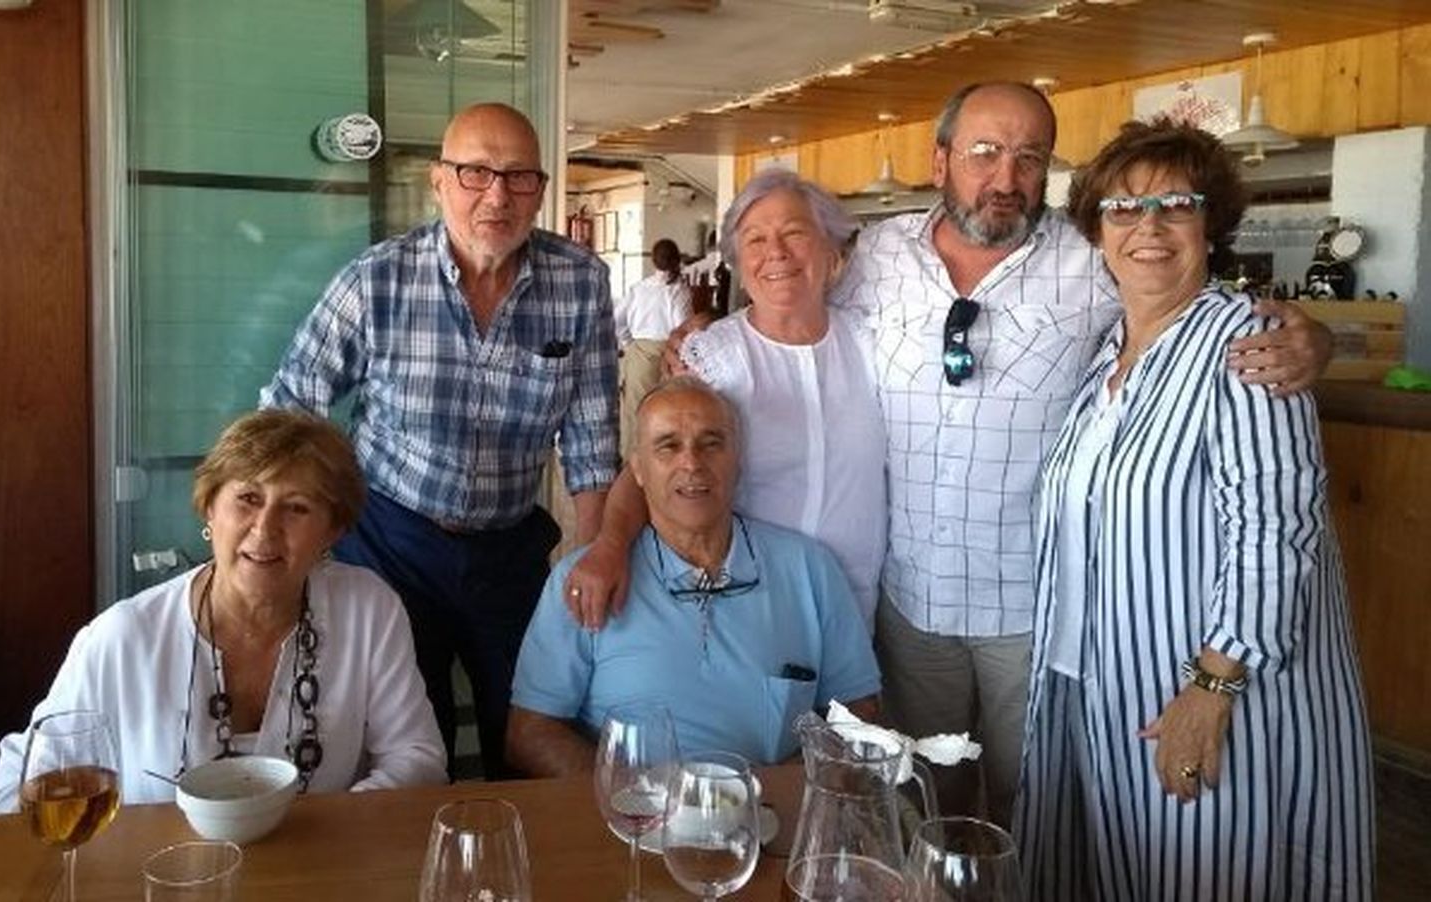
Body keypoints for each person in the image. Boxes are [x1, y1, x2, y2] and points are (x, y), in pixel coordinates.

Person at [832, 82, 1333, 826]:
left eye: (1030, 157)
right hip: (911, 597)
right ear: (939, 161)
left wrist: (1314, 338)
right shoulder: (878, 254)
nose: (1006, 178)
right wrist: (705, 345)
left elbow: (1182, 291)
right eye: (984, 152)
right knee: (922, 795)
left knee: (1029, 803)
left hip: (1033, 601)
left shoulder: (1092, 252)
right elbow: (805, 329)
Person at [1016, 119, 1374, 900]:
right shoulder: (1105, 360)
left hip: (1202, 693)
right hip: (1098, 681)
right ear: (1097, 231)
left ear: (1211, 226)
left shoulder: (1246, 342)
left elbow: (1276, 530)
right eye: (1124, 208)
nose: (1148, 227)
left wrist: (1211, 689)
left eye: (1176, 205)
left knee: (1205, 874)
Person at [259, 103, 618, 779]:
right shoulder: (377, 280)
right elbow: (290, 409)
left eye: (519, 177)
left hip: (511, 550)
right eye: (475, 172)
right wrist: (303, 536)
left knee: (530, 734)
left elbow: (592, 435)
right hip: (391, 545)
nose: (497, 196)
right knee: (407, 752)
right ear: (438, 181)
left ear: (541, 189)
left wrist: (592, 555)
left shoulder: (579, 282)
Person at [0, 410, 445, 813]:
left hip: (321, 870)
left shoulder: (368, 610)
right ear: (209, 508)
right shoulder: (124, 636)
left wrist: (328, 831)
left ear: (332, 532)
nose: (264, 529)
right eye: (248, 499)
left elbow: (417, 755)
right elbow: (14, 789)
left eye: (296, 508)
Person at [507, 378, 882, 776]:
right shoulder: (585, 581)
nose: (691, 463)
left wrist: (776, 792)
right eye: (668, 446)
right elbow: (529, 734)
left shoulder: (809, 569)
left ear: (738, 460)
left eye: (711, 443)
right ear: (638, 469)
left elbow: (860, 710)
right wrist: (636, 796)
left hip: (770, 809)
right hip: (631, 810)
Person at [567, 170, 886, 630]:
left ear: (831, 249)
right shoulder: (711, 356)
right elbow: (648, 470)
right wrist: (609, 547)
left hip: (856, 602)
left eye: (794, 233)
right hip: (748, 601)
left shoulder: (871, 342)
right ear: (737, 260)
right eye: (755, 239)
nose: (775, 252)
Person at [614, 238, 692, 461]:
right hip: (669, 353)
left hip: (640, 353)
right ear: (676, 260)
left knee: (635, 412)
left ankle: (632, 463)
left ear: (653, 260)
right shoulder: (677, 291)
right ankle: (658, 462)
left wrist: (628, 343)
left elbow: (617, 321)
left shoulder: (638, 288)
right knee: (665, 413)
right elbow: (682, 327)